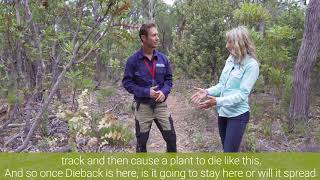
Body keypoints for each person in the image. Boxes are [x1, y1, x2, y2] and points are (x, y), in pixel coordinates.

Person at [191, 26, 259, 152]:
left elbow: (242, 95)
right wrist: (207, 92)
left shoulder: (251, 65)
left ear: (239, 43)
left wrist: (217, 101)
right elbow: (222, 85)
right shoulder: (231, 59)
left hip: (238, 115)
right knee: (227, 151)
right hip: (223, 112)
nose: (227, 45)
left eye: (230, 42)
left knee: (229, 154)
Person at [122, 22, 176, 152]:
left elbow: (169, 80)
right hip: (143, 107)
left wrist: (164, 91)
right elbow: (127, 83)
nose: (157, 38)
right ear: (143, 38)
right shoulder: (133, 61)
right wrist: (146, 92)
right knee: (141, 144)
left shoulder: (163, 59)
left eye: (157, 35)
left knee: (171, 140)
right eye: (153, 35)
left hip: (161, 106)